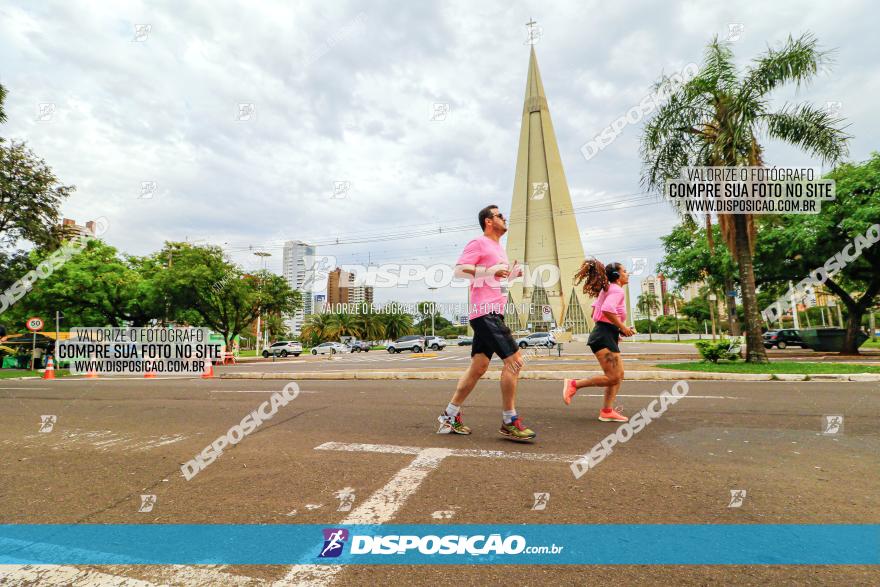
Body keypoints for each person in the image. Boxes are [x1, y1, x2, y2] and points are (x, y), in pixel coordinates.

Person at [436, 204, 536, 441]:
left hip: (493, 313)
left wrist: (512, 275)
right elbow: (460, 270)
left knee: (478, 368)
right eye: (500, 215)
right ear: (488, 221)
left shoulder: (499, 249)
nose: (504, 218)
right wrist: (489, 271)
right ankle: (509, 420)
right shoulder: (478, 243)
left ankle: (449, 416)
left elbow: (495, 280)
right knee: (515, 363)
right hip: (485, 313)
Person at [562, 259, 634, 422]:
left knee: (618, 375)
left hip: (605, 334)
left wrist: (616, 332)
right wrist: (622, 327)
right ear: (616, 275)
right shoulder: (616, 291)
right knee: (614, 377)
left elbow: (595, 313)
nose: (627, 274)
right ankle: (574, 385)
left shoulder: (608, 290)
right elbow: (607, 310)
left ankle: (607, 411)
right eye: (624, 271)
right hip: (603, 335)